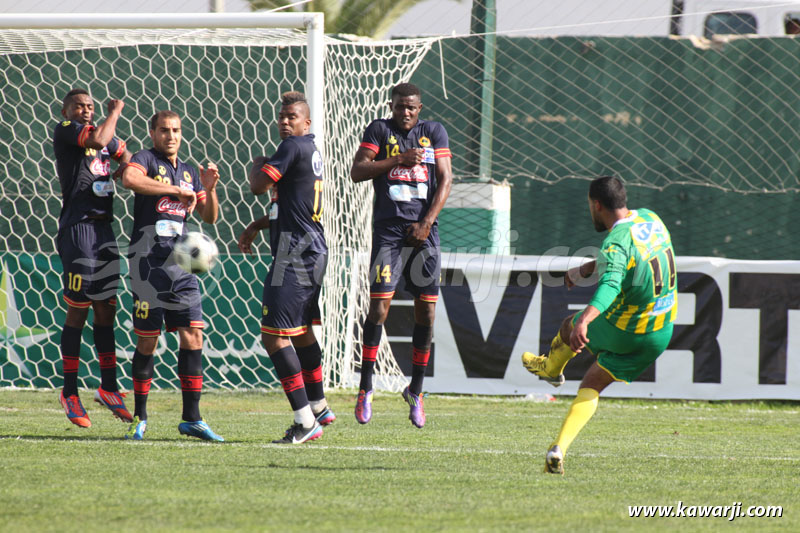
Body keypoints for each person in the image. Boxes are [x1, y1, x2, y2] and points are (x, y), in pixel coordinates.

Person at [521, 176, 677, 475]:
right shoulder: (651, 218)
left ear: (597, 205)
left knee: (570, 325)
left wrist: (586, 321)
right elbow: (623, 260)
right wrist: (586, 268)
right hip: (661, 332)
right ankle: (558, 449)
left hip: (630, 329)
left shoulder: (615, 242)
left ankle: (551, 369)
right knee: (592, 383)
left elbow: (610, 284)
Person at [350, 82, 453, 428]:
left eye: (410, 107)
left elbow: (445, 179)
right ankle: (366, 388)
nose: (404, 112)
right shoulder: (379, 130)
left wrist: (426, 222)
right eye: (399, 107)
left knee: (426, 311)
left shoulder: (433, 132)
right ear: (391, 106)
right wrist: (396, 159)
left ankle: (417, 391)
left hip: (424, 232)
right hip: (389, 233)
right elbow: (357, 171)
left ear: (419, 108)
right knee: (378, 307)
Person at [120, 110, 223, 441]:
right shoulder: (146, 159)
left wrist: (208, 188)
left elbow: (209, 216)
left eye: (176, 130)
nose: (171, 136)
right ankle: (141, 417)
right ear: (153, 132)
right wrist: (176, 192)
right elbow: (129, 179)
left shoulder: (190, 171)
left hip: (181, 265)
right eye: (164, 130)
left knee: (193, 336)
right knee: (148, 341)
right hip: (148, 265)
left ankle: (192, 419)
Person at [238, 91, 334, 444]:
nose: (284, 121)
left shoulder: (292, 148)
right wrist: (256, 226)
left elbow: (257, 185)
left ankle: (305, 421)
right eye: (281, 116)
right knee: (303, 330)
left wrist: (258, 162)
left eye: (292, 116)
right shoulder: (308, 152)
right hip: (312, 250)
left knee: (274, 337)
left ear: (306, 122)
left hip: (295, 256)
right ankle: (320, 405)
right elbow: (290, 208)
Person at [53, 88, 133, 428]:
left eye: (90, 107)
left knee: (107, 306)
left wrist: (124, 168)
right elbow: (101, 140)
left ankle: (109, 387)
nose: (86, 111)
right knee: (79, 308)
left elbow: (123, 152)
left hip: (104, 231)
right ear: (67, 109)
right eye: (80, 106)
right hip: (79, 230)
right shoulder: (67, 129)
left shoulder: (100, 134)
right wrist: (114, 112)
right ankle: (69, 392)